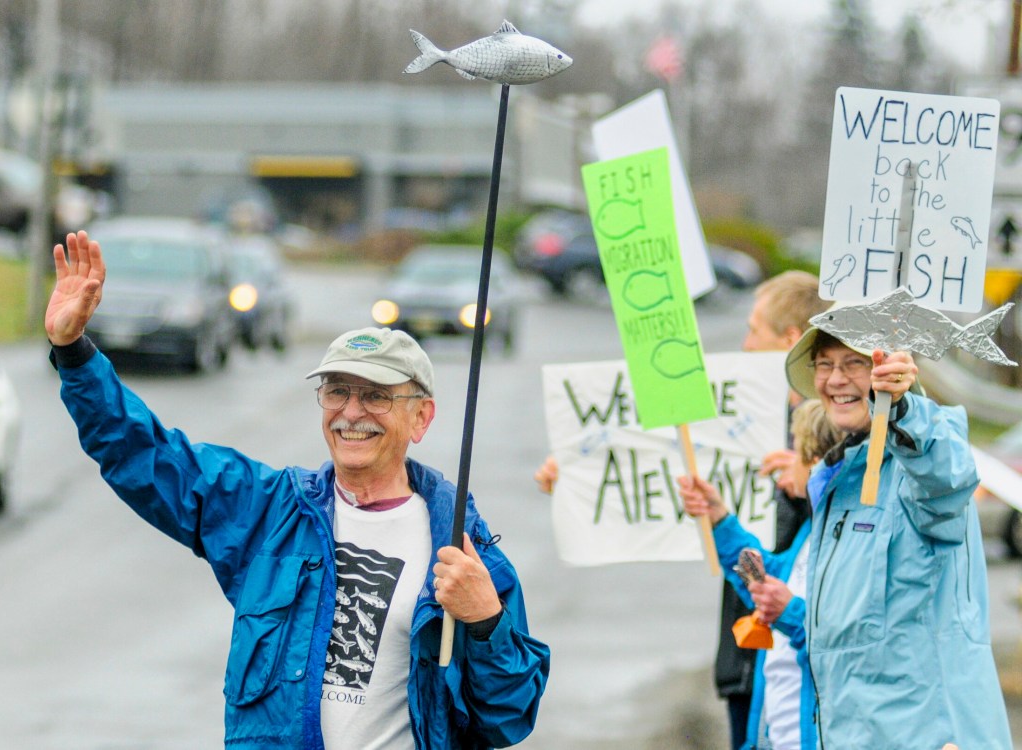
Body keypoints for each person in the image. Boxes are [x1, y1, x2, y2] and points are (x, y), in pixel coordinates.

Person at [45, 231, 551, 749]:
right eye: (337, 391)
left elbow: (507, 717)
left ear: (421, 417)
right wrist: (74, 352)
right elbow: (145, 455)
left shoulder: (462, 549)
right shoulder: (269, 511)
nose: (351, 413)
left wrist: (487, 621)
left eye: (376, 396)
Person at [531, 270, 829, 749]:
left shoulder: (833, 440)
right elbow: (657, 456)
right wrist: (580, 474)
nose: (745, 344)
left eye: (755, 330)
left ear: (791, 340)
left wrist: (809, 481)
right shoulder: (744, 422)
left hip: (807, 660)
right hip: (748, 660)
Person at [684, 319, 1013, 747]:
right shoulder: (834, 490)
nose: (835, 378)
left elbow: (948, 476)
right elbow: (772, 585)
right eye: (824, 364)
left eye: (854, 363)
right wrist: (721, 523)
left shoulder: (918, 470)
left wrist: (900, 408)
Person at [680, 399, 842, 750]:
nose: (790, 464)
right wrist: (720, 519)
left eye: (796, 454)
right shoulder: (811, 531)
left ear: (815, 462)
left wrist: (790, 612)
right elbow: (762, 579)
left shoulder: (844, 538)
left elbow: (844, 639)